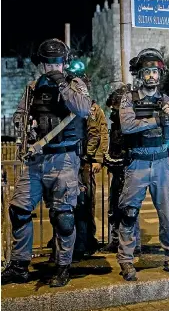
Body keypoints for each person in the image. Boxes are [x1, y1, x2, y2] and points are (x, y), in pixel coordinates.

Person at [1, 38, 91, 287]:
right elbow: (20, 114)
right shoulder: (32, 87)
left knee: (63, 216)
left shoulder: (75, 84)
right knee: (18, 210)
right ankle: (19, 266)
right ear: (41, 64)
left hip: (64, 159)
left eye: (57, 62)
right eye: (48, 62)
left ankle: (62, 266)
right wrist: (24, 128)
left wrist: (62, 84)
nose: (52, 67)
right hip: (37, 159)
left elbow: (84, 109)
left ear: (65, 63)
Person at [117, 48, 169, 281]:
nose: (152, 76)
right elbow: (127, 126)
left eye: (155, 71)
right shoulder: (129, 98)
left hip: (162, 163)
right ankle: (126, 259)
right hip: (138, 162)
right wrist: (156, 118)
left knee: (167, 213)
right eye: (147, 71)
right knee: (129, 212)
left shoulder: (165, 100)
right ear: (140, 74)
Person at [100, 82, 141, 255]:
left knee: (128, 207)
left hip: (128, 168)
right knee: (115, 205)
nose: (113, 111)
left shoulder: (129, 119)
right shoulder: (117, 120)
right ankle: (116, 239)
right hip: (118, 168)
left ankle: (133, 243)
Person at [73, 99, 109, 260]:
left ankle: (86, 239)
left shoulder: (92, 109)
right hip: (71, 160)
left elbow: (99, 133)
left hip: (84, 161)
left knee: (85, 202)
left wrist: (97, 158)